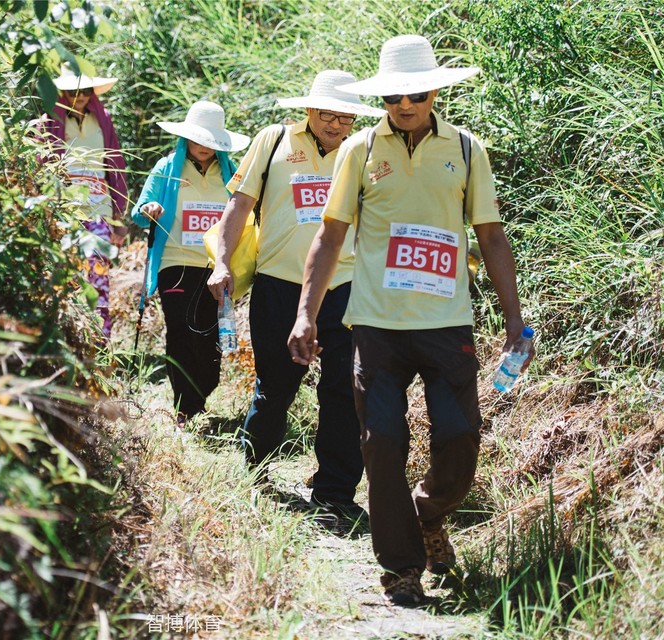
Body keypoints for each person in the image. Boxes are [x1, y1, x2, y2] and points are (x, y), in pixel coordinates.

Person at [287, 35, 534, 606]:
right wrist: (305, 314)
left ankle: (426, 513)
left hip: (448, 324)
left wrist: (514, 321)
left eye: (415, 94)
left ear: (434, 93)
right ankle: (400, 567)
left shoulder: (468, 150)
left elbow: (491, 236)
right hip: (375, 326)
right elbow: (329, 235)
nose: (404, 104)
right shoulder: (359, 151)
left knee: (460, 436)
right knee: (383, 442)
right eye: (393, 96)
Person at [206, 71, 385, 524]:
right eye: (328, 112)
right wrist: (222, 262)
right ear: (309, 109)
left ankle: (335, 493)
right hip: (278, 285)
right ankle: (253, 470)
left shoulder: (362, 153)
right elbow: (239, 206)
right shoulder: (274, 141)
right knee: (276, 385)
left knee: (345, 389)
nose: (336, 123)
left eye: (345, 116)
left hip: (344, 286)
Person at [130, 101, 250, 428]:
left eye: (210, 141)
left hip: (217, 266)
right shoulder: (167, 168)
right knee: (181, 331)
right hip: (175, 262)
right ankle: (185, 407)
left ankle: (201, 393)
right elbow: (139, 207)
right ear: (186, 138)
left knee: (209, 335)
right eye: (198, 139)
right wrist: (150, 208)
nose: (203, 147)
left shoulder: (232, 173)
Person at [41, 63, 129, 340]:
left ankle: (99, 341)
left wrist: (118, 217)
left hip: (99, 207)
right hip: (65, 211)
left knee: (99, 275)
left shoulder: (102, 118)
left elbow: (114, 163)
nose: (80, 96)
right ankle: (68, 340)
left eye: (86, 90)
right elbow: (43, 162)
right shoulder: (51, 120)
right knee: (68, 275)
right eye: (74, 90)